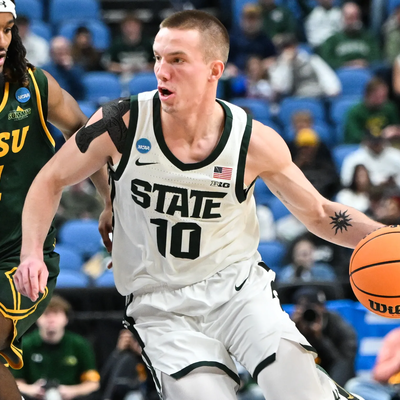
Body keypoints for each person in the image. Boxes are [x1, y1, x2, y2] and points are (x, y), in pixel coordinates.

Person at [15, 9, 384, 400]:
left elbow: (321, 213)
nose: (162, 71)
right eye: (158, 58)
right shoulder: (123, 123)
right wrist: (31, 252)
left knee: (299, 391)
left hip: (238, 292)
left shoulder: (251, 141)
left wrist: (386, 237)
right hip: (160, 306)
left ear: (214, 70)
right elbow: (49, 179)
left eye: (177, 60)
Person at [0, 2, 111, 400]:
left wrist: (109, 201)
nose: (2, 40)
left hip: (20, 256)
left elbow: (88, 135)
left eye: (8, 29)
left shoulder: (34, 87)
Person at [12, 295, 101, 400]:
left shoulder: (79, 344)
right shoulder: (24, 345)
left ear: (66, 318)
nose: (51, 319)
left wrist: (72, 391)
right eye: (46, 314)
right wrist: (31, 389)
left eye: (56, 314)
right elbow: (14, 381)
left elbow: (93, 383)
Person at [291, 287, 358, 387]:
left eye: (313, 308)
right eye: (303, 308)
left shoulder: (339, 326)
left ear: (323, 308)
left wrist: (319, 338)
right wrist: (293, 330)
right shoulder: (290, 326)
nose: (309, 313)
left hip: (332, 377)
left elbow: (343, 363)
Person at [268, 33, 341, 99]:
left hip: (318, 96)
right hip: (295, 99)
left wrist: (332, 89)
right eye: (284, 47)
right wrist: (286, 65)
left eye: (290, 46)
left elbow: (326, 75)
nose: (288, 50)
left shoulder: (311, 59)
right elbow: (282, 88)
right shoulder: (277, 66)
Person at [317, 2, 381, 70]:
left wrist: (365, 63)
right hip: (340, 73)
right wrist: (347, 64)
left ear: (360, 18)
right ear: (342, 18)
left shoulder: (369, 39)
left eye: (354, 17)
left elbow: (376, 59)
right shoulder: (332, 40)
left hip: (365, 72)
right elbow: (326, 63)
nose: (351, 21)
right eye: (348, 17)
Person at [100, 329, 158, 400]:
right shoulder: (126, 359)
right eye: (136, 339)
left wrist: (147, 355)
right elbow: (104, 382)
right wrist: (117, 352)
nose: (139, 344)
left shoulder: (156, 358)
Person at [345, 326, 400, 400]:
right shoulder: (396, 337)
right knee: (354, 385)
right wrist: (397, 362)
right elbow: (378, 375)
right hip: (392, 390)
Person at [343, 77, 400, 144]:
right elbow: (353, 137)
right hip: (362, 146)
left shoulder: (389, 108)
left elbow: (396, 128)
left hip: (386, 145)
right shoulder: (355, 111)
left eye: (384, 96)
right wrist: (381, 136)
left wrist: (395, 132)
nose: (381, 100)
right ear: (367, 94)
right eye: (377, 96)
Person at [42, 36, 85, 101]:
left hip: (73, 101)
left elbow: (81, 90)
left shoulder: (76, 69)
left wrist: (70, 69)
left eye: (64, 50)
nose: (62, 53)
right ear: (52, 53)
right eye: (58, 51)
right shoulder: (44, 70)